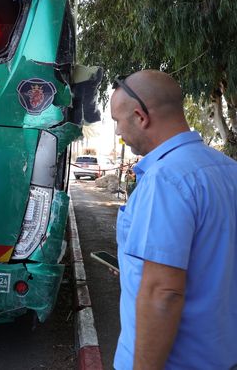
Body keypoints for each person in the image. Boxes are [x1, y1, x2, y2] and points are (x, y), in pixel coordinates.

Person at [110, 69, 237, 369]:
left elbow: (163, 293)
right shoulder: (229, 170)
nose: (117, 132)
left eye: (117, 121)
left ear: (141, 117)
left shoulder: (165, 180)